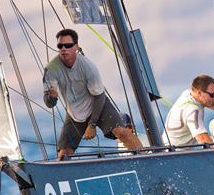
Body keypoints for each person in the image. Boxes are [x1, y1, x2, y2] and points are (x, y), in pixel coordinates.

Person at [43, 29, 142, 159]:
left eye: (68, 45)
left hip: (97, 104)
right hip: (75, 112)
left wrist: (92, 124)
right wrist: (52, 97)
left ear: (76, 47)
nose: (64, 49)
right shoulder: (51, 69)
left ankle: (146, 159)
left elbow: (99, 96)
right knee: (64, 154)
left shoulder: (87, 66)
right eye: (60, 46)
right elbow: (48, 103)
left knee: (122, 132)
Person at [163, 74, 214, 146]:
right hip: (176, 154)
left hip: (166, 148)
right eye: (212, 95)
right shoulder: (193, 111)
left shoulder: (187, 94)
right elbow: (203, 139)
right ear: (199, 93)